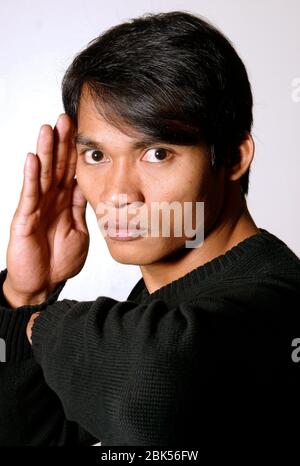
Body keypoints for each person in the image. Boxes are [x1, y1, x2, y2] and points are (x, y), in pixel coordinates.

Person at [0, 10, 299, 447]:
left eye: (157, 153)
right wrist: (25, 295)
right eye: (97, 156)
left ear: (233, 157)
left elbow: (154, 386)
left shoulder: (279, 304)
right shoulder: (154, 305)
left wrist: (37, 327)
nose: (119, 193)